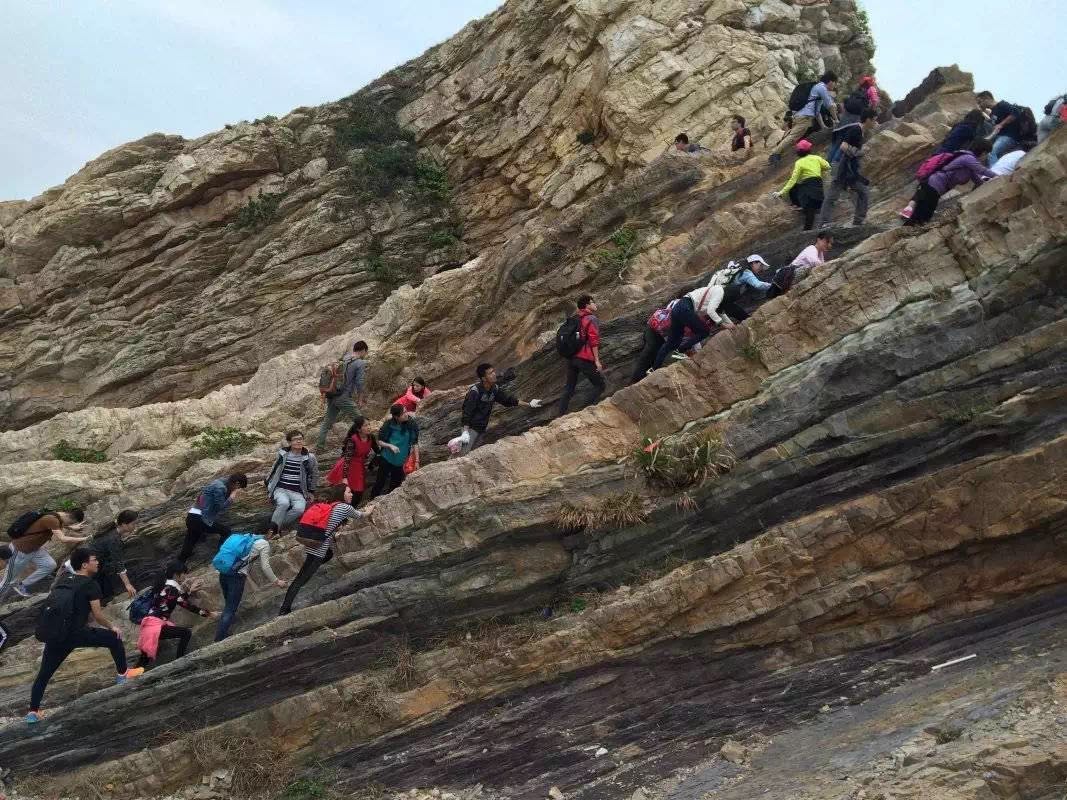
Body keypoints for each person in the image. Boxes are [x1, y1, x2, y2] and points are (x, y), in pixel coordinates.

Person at [26, 547, 144, 723]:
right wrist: (112, 626)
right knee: (114, 638)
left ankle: (32, 712)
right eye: (94, 560)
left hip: (56, 634)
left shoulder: (64, 579)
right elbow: (97, 615)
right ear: (84, 565)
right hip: (76, 633)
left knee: (44, 674)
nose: (97, 562)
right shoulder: (90, 584)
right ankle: (123, 674)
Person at [278, 485, 362, 615]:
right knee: (301, 580)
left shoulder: (332, 505)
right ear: (342, 494)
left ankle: (286, 604)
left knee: (329, 554)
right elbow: (361, 515)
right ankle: (284, 609)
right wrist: (372, 508)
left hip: (312, 543)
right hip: (318, 549)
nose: (351, 494)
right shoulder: (345, 508)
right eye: (349, 492)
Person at [652, 265, 739, 369]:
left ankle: (654, 368)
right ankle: (680, 351)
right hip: (685, 307)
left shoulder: (714, 291)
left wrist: (730, 324)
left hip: (678, 308)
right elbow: (711, 311)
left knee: (671, 343)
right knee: (704, 331)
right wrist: (724, 325)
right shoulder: (720, 291)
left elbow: (719, 313)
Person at [136, 561, 214, 668]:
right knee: (186, 633)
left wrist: (190, 592)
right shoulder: (172, 589)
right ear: (176, 574)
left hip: (150, 625)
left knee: (143, 661)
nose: (186, 576)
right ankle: (179, 663)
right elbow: (183, 603)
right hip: (155, 626)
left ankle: (127, 676)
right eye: (184, 573)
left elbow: (177, 600)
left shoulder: (164, 586)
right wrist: (208, 613)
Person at [902, 139, 995, 227]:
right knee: (921, 217)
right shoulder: (968, 159)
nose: (986, 157)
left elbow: (978, 181)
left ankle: (905, 232)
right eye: (987, 154)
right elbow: (982, 170)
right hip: (932, 185)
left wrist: (990, 185)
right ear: (983, 152)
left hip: (934, 188)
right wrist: (999, 177)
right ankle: (904, 234)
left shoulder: (970, 165)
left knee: (922, 217)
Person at [54, 509, 140, 605]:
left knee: (103, 589)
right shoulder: (114, 539)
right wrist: (127, 584)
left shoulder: (110, 530)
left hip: (85, 564)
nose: (135, 526)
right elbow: (118, 563)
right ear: (124, 524)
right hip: (79, 568)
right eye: (133, 524)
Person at [454, 364, 542, 456]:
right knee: (462, 454)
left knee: (472, 455)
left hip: (482, 428)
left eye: (493, 371)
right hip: (470, 429)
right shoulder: (475, 392)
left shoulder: (494, 389)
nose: (494, 374)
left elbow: (508, 400)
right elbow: (467, 413)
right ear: (483, 378)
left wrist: (529, 404)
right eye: (490, 373)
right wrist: (465, 432)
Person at [1, 508, 87, 600]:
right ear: (69, 517)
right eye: (71, 523)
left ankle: (21, 585)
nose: (69, 524)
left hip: (34, 549)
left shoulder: (57, 515)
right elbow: (63, 539)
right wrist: (84, 539)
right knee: (8, 581)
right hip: (20, 550)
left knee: (49, 565)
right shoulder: (52, 519)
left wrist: (71, 527)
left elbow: (59, 524)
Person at [213, 533, 285, 642]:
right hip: (236, 576)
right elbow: (265, 566)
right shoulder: (264, 543)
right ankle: (219, 638)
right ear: (270, 532)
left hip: (223, 572)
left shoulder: (247, 537)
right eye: (277, 533)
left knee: (229, 603)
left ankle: (225, 625)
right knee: (230, 608)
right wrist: (277, 581)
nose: (278, 536)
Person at [817, 108, 878, 229]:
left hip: (849, 169)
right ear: (868, 120)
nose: (876, 123)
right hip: (842, 167)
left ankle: (858, 221)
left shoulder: (860, 131)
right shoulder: (856, 129)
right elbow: (844, 146)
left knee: (863, 192)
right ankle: (824, 223)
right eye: (874, 120)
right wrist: (860, 153)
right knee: (833, 195)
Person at [771, 71, 838, 164]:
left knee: (794, 136)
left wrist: (823, 127)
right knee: (793, 137)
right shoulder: (822, 88)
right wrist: (836, 120)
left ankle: (778, 151)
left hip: (800, 116)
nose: (835, 85)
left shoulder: (816, 88)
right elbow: (830, 106)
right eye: (835, 83)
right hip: (804, 117)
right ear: (831, 81)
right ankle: (775, 153)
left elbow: (817, 112)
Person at [325, 416, 394, 505]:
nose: (369, 427)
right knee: (345, 493)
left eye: (369, 425)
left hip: (359, 467)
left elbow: (378, 451)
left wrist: (387, 450)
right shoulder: (352, 440)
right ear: (358, 429)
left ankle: (351, 510)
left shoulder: (371, 437)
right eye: (365, 425)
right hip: (347, 467)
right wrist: (344, 478)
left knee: (358, 493)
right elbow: (347, 459)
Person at [179, 474, 248, 562]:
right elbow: (221, 507)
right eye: (239, 487)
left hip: (192, 516)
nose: (237, 489)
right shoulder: (220, 487)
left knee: (190, 541)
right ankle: (221, 557)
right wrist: (231, 497)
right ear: (237, 483)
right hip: (199, 518)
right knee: (226, 531)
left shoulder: (219, 482)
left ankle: (179, 564)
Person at [316, 340, 369, 451]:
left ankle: (319, 447)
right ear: (364, 350)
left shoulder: (345, 358)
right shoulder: (360, 363)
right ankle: (362, 446)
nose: (365, 355)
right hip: (343, 397)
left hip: (332, 395)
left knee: (327, 423)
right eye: (366, 352)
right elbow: (359, 382)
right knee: (361, 421)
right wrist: (360, 398)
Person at [264, 431, 318, 537]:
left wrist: (311, 491)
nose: (298, 441)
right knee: (284, 503)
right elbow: (274, 469)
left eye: (300, 439)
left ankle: (274, 526)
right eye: (295, 439)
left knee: (299, 509)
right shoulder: (283, 454)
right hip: (281, 488)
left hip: (298, 491)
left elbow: (315, 474)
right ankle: (273, 532)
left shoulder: (310, 457)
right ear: (289, 442)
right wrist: (268, 485)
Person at [559, 294, 606, 416]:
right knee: (600, 385)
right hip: (584, 358)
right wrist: (597, 360)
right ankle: (583, 411)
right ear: (587, 305)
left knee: (569, 388)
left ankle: (560, 415)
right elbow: (593, 341)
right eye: (593, 302)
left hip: (571, 358)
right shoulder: (591, 318)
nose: (595, 304)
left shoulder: (575, 318)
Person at [774, 140, 831, 231]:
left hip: (807, 192)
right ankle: (820, 224)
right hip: (818, 188)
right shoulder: (816, 158)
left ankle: (799, 206)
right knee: (813, 210)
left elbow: (793, 180)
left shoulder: (799, 162)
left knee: (794, 189)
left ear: (799, 152)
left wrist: (781, 192)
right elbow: (828, 166)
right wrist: (818, 170)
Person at [371, 404, 420, 498]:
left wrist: (417, 461)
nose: (406, 414)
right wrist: (390, 446)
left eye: (406, 411)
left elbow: (415, 443)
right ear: (396, 417)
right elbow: (380, 441)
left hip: (400, 462)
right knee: (379, 483)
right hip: (386, 459)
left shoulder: (411, 424)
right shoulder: (389, 425)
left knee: (395, 486)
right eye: (403, 413)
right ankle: (372, 501)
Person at [718, 255, 777, 322]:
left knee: (743, 317)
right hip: (724, 298)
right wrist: (774, 285)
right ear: (754, 263)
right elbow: (758, 285)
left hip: (721, 298)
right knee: (746, 318)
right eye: (760, 266)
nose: (761, 269)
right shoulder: (746, 273)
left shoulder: (739, 269)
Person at [979, 91, 1026, 166]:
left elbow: (1016, 112)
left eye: (980, 102)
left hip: (1009, 136)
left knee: (991, 152)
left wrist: (1001, 124)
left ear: (987, 99)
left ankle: (995, 172)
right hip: (1000, 136)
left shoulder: (1002, 104)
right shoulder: (992, 112)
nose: (980, 104)